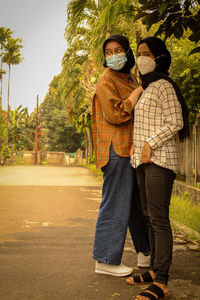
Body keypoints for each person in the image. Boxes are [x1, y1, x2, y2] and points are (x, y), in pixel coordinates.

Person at [127, 37, 190, 299]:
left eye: (147, 53)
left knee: (159, 220)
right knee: (148, 215)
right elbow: (144, 123)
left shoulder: (163, 85)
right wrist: (135, 145)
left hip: (160, 161)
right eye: (139, 53)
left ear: (160, 57)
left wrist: (150, 144)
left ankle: (162, 281)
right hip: (142, 160)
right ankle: (153, 270)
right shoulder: (146, 87)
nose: (142, 58)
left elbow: (175, 121)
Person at [92, 34, 150, 277]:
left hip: (130, 150)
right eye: (108, 52)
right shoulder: (105, 80)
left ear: (126, 52)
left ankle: (145, 253)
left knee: (134, 205)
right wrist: (136, 93)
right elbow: (116, 115)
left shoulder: (127, 77)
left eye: (117, 50)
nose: (112, 55)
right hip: (116, 150)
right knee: (115, 203)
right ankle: (105, 260)